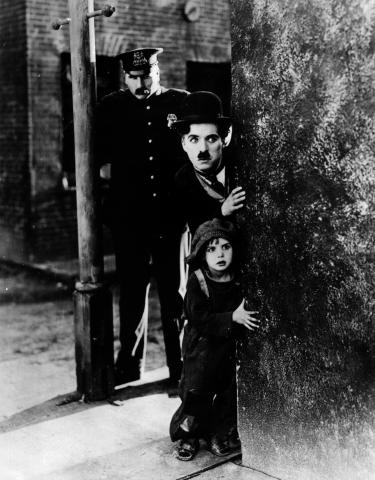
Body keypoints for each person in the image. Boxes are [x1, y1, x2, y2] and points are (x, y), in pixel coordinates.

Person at [95, 47, 189, 386]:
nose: (141, 83)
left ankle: (179, 367)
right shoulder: (111, 108)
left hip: (170, 218)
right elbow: (100, 160)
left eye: (146, 76)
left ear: (158, 73)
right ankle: (129, 366)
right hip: (130, 221)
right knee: (132, 293)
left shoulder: (180, 103)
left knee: (174, 295)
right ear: (125, 78)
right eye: (134, 78)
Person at [169, 218, 260, 461]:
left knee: (226, 391)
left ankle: (217, 435)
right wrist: (233, 317)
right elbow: (198, 317)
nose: (219, 254)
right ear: (202, 253)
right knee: (197, 392)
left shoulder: (236, 278)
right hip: (200, 348)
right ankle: (188, 435)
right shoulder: (198, 280)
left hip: (225, 347)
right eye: (211, 249)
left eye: (225, 247)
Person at [171, 91, 246, 236]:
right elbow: (193, 224)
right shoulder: (182, 180)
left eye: (211, 139)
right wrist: (222, 211)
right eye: (194, 139)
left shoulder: (240, 168)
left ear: (225, 140)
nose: (203, 149)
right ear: (183, 143)